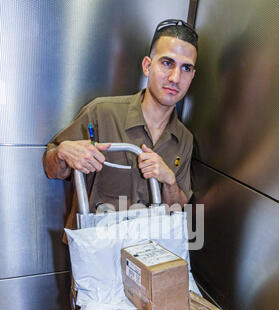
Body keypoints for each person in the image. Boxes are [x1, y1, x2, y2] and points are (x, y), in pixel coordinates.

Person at [43, 19, 198, 232]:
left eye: (186, 68)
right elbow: (52, 170)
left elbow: (175, 211)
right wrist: (62, 153)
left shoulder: (185, 139)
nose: (175, 77)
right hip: (98, 255)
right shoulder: (102, 113)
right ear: (147, 66)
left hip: (150, 256)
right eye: (167, 63)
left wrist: (169, 180)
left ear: (192, 76)